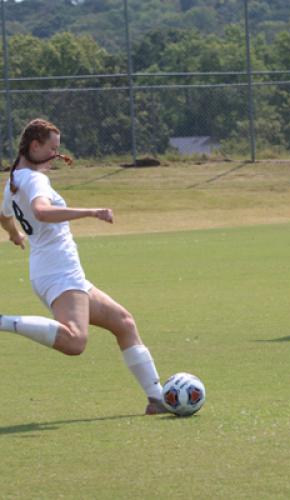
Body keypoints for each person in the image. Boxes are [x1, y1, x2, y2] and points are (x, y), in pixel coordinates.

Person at [0, 118, 167, 415]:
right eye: (52, 149)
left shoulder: (14, 180)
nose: (56, 156)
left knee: (124, 323)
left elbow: (4, 215)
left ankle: (157, 399)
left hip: (55, 271)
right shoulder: (35, 179)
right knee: (75, 341)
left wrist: (15, 235)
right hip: (59, 271)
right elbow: (41, 210)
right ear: (34, 146)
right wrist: (90, 211)